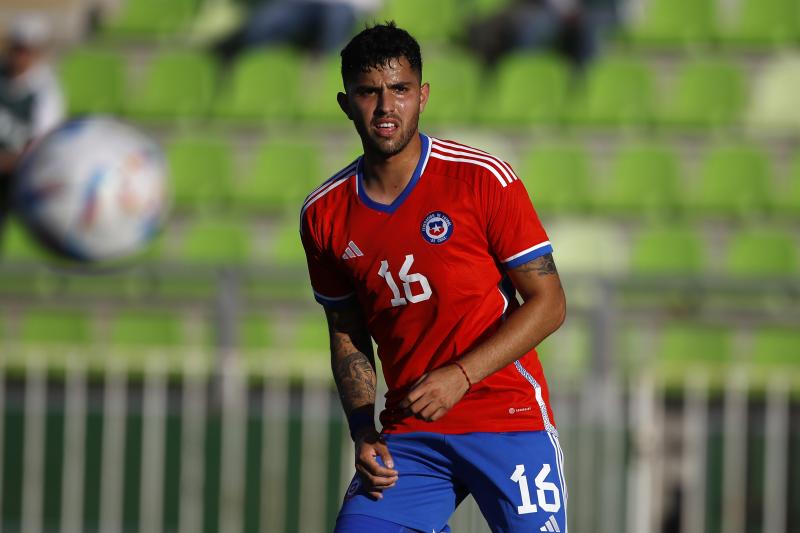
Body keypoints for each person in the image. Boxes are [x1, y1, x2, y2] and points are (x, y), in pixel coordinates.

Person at [300, 22, 568, 533]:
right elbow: (346, 329)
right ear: (345, 102)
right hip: (410, 432)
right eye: (369, 92)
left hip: (506, 416)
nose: (385, 107)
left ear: (421, 96)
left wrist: (460, 375)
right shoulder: (323, 213)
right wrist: (362, 429)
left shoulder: (483, 179)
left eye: (399, 89)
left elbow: (549, 303)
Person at [0, 15, 65, 244]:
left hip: (17, 178)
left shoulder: (45, 90)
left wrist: (9, 161)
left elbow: (41, 146)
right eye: (18, 49)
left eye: (27, 50)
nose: (21, 56)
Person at [212, 0, 383, 62]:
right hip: (301, 6)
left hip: (345, 8)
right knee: (269, 20)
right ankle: (238, 60)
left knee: (336, 16)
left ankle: (323, 68)